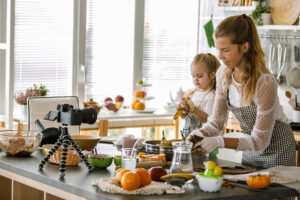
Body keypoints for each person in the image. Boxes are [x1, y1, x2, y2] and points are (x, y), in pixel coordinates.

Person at [187, 14, 296, 169]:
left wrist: (219, 141)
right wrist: (199, 134)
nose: (220, 56)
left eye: (225, 50)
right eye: (218, 50)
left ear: (245, 47)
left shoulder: (264, 82)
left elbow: (260, 141)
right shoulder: (223, 75)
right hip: (250, 150)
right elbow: (217, 122)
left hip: (278, 152)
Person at [176, 53, 220, 139]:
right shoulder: (192, 94)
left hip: (205, 140)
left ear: (212, 75)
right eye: (193, 76)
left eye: (199, 76)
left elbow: (208, 120)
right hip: (189, 138)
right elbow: (185, 117)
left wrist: (193, 109)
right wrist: (182, 111)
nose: (195, 79)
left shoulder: (212, 96)